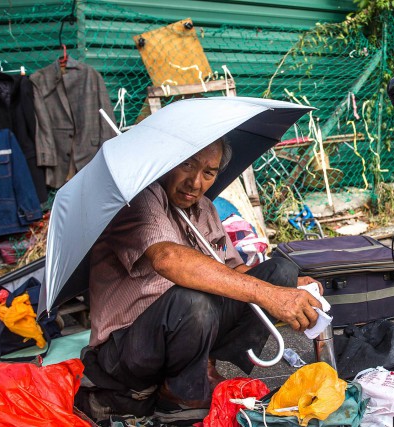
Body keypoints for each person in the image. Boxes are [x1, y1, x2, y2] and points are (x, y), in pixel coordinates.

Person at [77, 137, 323, 421]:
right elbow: (167, 258)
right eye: (186, 165)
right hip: (126, 349)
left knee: (280, 272)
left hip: (185, 327)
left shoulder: (204, 208)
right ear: (167, 164)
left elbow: (234, 270)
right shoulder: (138, 199)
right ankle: (178, 393)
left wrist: (285, 289)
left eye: (208, 172)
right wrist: (267, 294)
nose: (195, 183)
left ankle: (202, 366)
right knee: (194, 298)